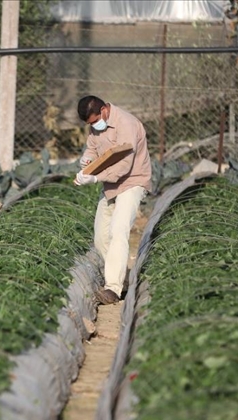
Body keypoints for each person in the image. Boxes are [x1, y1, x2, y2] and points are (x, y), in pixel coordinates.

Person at [73, 95, 152, 305]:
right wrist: (86, 160)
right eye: (90, 124)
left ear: (104, 111)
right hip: (111, 186)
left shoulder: (127, 124)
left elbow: (123, 167)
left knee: (119, 231)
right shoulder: (96, 126)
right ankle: (120, 278)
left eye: (94, 121)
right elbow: (92, 146)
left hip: (132, 182)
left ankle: (113, 289)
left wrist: (95, 177)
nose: (93, 126)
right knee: (100, 236)